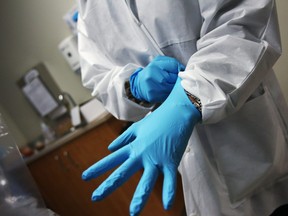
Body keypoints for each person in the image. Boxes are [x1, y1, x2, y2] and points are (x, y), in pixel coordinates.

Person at [77, 0, 288, 215]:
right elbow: (97, 76)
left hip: (251, 138)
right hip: (193, 166)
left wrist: (187, 100)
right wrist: (134, 85)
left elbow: (243, 19)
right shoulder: (88, 6)